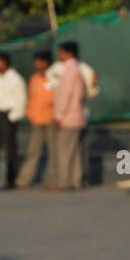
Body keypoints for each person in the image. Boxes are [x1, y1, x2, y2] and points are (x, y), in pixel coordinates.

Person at [48, 42, 100, 184]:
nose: (59, 55)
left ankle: (63, 181)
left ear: (68, 53)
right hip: (77, 115)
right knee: (75, 151)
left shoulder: (70, 70)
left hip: (68, 116)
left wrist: (59, 115)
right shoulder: (76, 68)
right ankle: (75, 181)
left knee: (64, 151)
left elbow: (66, 95)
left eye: (61, 52)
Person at [15, 51, 56, 188]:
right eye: (36, 61)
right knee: (33, 152)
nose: (37, 64)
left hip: (52, 119)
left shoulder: (54, 78)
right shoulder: (34, 79)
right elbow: (32, 98)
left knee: (54, 152)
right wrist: (30, 113)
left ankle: (53, 180)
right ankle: (23, 181)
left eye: (39, 61)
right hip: (37, 120)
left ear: (46, 62)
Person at [0, 50, 27, 190]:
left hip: (8, 116)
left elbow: (21, 99)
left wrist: (13, 117)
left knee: (10, 149)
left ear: (5, 62)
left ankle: (11, 179)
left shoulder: (16, 79)